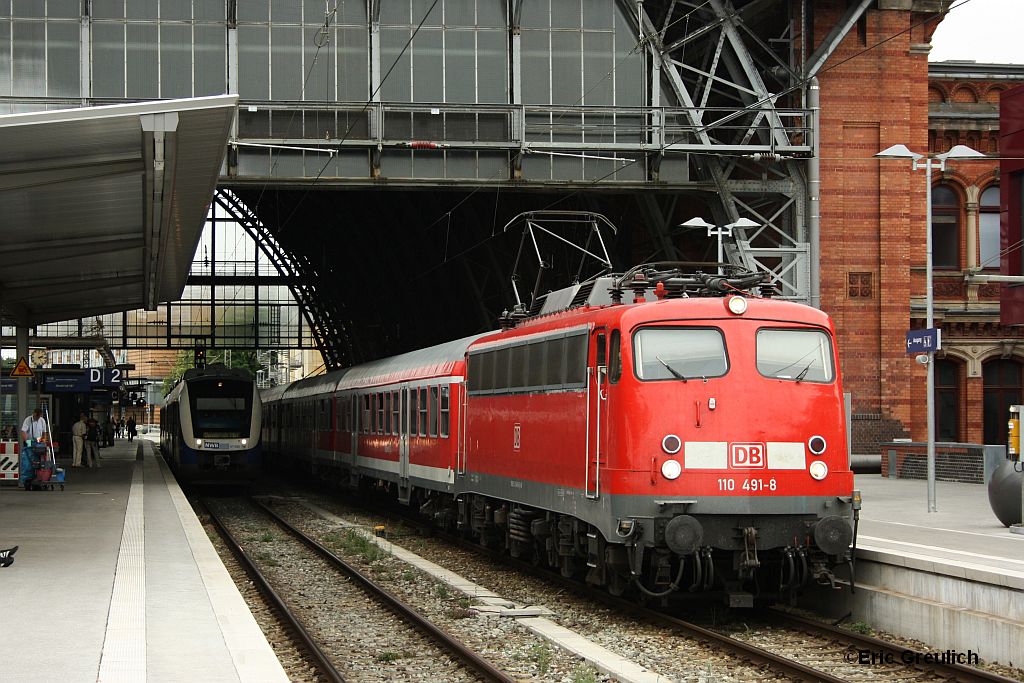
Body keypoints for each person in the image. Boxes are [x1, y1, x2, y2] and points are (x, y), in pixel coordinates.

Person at [19, 408, 48, 489]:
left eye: (39, 416)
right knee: (28, 463)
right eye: (36, 416)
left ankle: (39, 479)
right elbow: (23, 432)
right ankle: (27, 481)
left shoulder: (42, 421)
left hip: (38, 443)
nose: (37, 418)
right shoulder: (28, 420)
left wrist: (43, 442)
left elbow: (44, 433)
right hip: (30, 442)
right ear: (34, 413)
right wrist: (27, 442)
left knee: (39, 463)